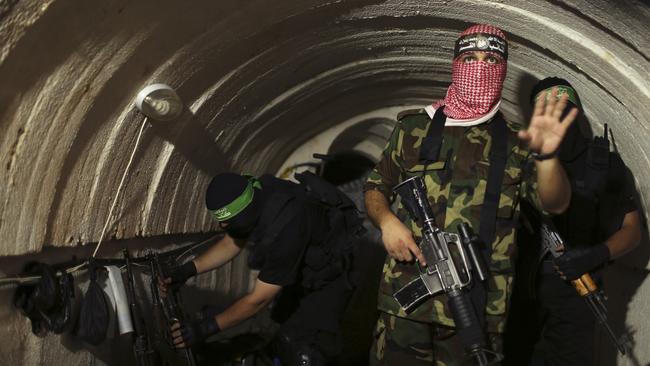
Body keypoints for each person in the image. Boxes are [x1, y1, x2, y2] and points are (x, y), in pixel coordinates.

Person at [363, 24, 577, 365]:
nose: (479, 67)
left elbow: (556, 203)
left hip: (477, 307)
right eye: (469, 57)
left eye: (491, 59)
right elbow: (376, 186)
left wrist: (547, 157)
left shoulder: (516, 144)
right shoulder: (414, 128)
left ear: (503, 70)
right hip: (406, 303)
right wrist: (386, 220)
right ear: (455, 64)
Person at [504, 77, 642, 366]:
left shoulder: (603, 163)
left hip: (575, 292)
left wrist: (596, 253)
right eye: (547, 111)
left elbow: (633, 231)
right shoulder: (519, 158)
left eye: (564, 109)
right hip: (518, 291)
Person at [162, 171, 364, 365]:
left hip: (330, 278)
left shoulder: (285, 229)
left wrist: (205, 328)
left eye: (226, 222)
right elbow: (231, 242)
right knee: (282, 331)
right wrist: (188, 269)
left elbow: (258, 300)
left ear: (243, 214)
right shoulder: (256, 192)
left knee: (306, 351)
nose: (222, 227)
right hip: (303, 268)